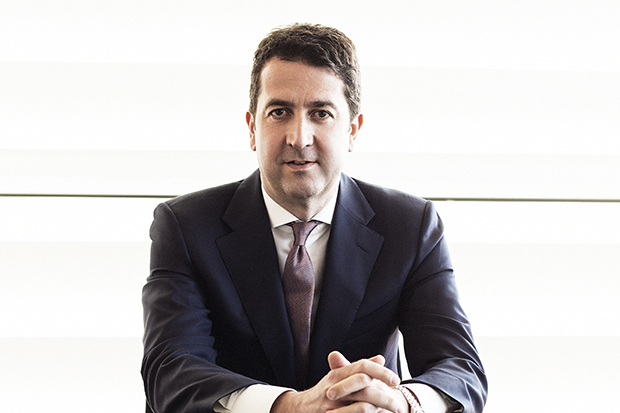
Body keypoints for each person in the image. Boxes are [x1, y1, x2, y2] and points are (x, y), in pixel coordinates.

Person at [142, 23, 487, 413]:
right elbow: (171, 371)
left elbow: (460, 369)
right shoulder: (185, 226)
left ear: (352, 130)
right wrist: (291, 406)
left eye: (321, 113)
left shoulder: (411, 226)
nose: (299, 137)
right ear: (252, 128)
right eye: (279, 112)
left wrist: (401, 403)